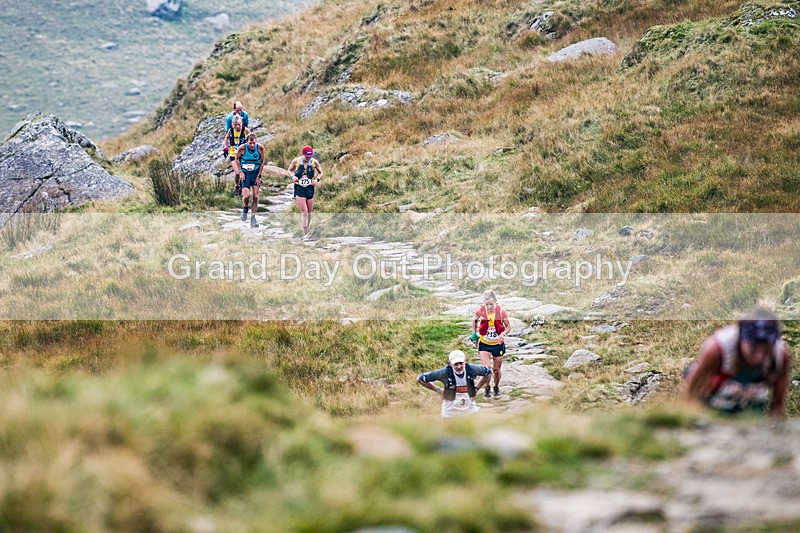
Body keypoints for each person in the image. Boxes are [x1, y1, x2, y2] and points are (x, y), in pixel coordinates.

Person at [683, 307, 791, 416]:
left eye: (767, 350)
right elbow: (690, 395)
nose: (760, 358)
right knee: (692, 372)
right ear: (741, 339)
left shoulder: (781, 355)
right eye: (753, 350)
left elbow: (777, 407)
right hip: (715, 397)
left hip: (750, 401)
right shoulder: (718, 348)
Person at [417, 350, 492, 418]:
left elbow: (488, 373)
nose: (459, 367)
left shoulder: (471, 369)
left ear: (465, 361)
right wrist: (438, 390)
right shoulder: (444, 373)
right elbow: (420, 379)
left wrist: (477, 388)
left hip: (470, 410)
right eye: (456, 364)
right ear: (450, 363)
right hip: (450, 412)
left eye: (461, 363)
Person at [470, 290, 511, 399]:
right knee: (486, 369)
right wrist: (474, 334)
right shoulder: (481, 311)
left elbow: (508, 327)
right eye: (486, 304)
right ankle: (487, 387)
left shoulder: (501, 312)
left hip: (498, 344)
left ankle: (496, 387)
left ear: (496, 302)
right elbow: (474, 321)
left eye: (491, 304)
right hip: (484, 344)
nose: (489, 307)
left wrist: (503, 334)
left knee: (496, 370)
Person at [287, 145, 323, 240]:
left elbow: (320, 172)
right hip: (299, 187)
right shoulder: (296, 161)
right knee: (304, 211)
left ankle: (308, 227)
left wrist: (317, 180)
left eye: (310, 156)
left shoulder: (314, 162)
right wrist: (292, 176)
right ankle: (305, 232)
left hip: (310, 188)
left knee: (310, 211)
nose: (309, 158)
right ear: (303, 154)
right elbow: (289, 170)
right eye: (307, 156)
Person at [235, 133, 264, 228]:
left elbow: (262, 162)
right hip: (245, 173)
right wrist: (240, 172)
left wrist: (259, 175)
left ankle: (253, 217)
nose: (252, 145)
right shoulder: (242, 148)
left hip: (255, 173)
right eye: (250, 143)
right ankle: (245, 209)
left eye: (254, 143)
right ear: (247, 142)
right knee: (246, 196)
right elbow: (237, 159)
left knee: (255, 196)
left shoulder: (260, 148)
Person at [223, 115, 249, 197]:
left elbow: (251, 138)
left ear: (242, 123)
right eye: (235, 125)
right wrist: (226, 148)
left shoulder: (246, 130)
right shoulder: (230, 131)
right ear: (232, 124)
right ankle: (237, 186)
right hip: (233, 154)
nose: (237, 126)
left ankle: (242, 188)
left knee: (244, 171)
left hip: (243, 154)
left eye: (239, 125)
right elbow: (226, 138)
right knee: (238, 172)